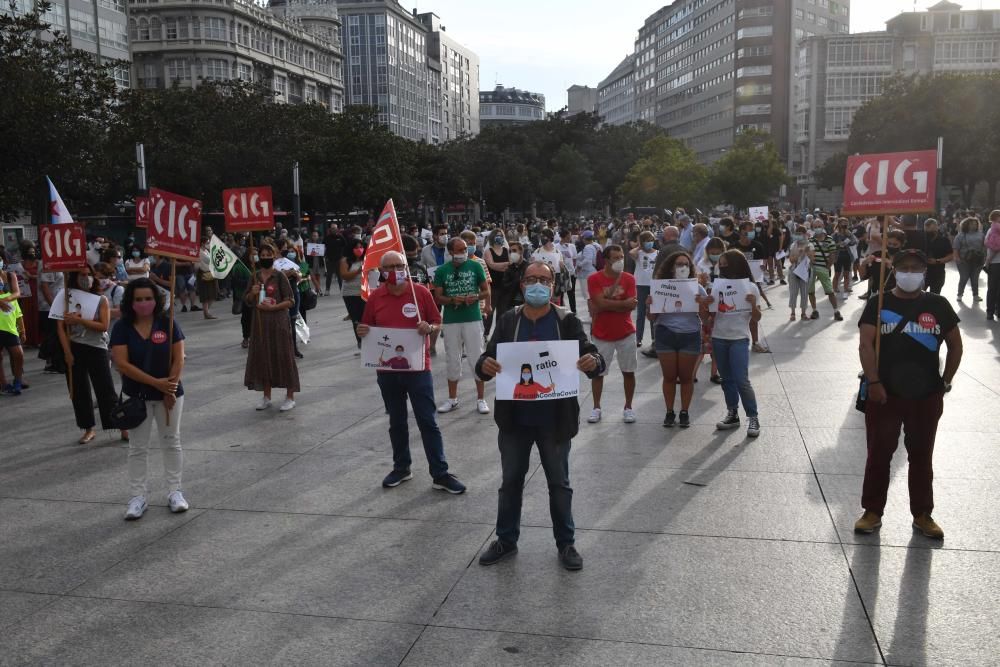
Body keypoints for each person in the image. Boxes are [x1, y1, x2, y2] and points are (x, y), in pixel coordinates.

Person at [475, 261, 605, 571]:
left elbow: (593, 355)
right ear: (522, 285)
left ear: (553, 285)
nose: (537, 284)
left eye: (544, 280)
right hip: (515, 418)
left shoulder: (567, 320)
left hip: (555, 419)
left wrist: (592, 362)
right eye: (531, 279)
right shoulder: (508, 320)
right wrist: (485, 366)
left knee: (559, 483)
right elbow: (487, 357)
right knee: (510, 483)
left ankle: (566, 543)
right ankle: (506, 539)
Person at [855, 249, 962, 539]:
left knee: (921, 455)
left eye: (916, 268)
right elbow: (866, 344)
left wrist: (946, 381)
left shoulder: (938, 305)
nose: (910, 273)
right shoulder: (878, 304)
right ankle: (872, 510)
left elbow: (955, 344)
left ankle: (923, 514)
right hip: (885, 394)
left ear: (924, 272)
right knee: (878, 453)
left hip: (926, 394)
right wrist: (874, 382)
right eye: (905, 267)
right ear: (895, 270)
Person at [357, 251, 466, 494]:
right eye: (390, 267)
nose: (395, 271)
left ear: (407, 267)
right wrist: (362, 330)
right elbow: (366, 327)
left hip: (418, 368)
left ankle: (440, 473)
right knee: (396, 421)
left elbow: (438, 321)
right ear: (382, 272)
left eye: (400, 265)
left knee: (427, 421)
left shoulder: (420, 293)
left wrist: (430, 327)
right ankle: (402, 467)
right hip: (387, 370)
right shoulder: (375, 297)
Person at [109, 278, 188, 520]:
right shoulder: (122, 327)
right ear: (130, 302)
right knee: (137, 447)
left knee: (171, 442)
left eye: (148, 298)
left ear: (157, 300)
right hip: (137, 396)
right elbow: (121, 363)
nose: (144, 303)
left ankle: (175, 492)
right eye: (138, 299)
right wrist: (156, 384)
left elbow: (179, 357)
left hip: (170, 396)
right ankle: (137, 497)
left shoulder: (168, 322)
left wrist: (169, 389)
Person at [56, 266, 119, 444]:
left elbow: (103, 326)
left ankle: (119, 424)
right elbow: (60, 328)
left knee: (105, 389)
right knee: (79, 391)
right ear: (75, 277)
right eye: (82, 275)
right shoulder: (65, 298)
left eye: (89, 274)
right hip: (74, 348)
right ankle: (88, 428)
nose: (87, 278)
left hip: (97, 347)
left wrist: (79, 320)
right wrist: (67, 352)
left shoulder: (101, 300)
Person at [648, 251, 708, 427]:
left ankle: (684, 412)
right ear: (671, 268)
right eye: (678, 264)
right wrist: (650, 305)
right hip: (665, 334)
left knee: (686, 377)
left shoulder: (698, 288)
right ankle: (669, 412)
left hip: (689, 335)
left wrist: (701, 305)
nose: (682, 267)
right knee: (669, 377)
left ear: (691, 268)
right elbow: (652, 318)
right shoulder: (661, 286)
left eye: (686, 264)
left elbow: (705, 319)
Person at [707, 250, 762, 438]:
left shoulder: (751, 287)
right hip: (719, 337)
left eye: (724, 263)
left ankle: (753, 416)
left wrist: (753, 305)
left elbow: (757, 318)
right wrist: (706, 303)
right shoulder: (716, 286)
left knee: (741, 379)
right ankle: (732, 413)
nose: (721, 267)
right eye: (720, 264)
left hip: (739, 337)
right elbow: (710, 315)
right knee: (727, 379)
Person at [433, 237, 490, 414]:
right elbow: (438, 297)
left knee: (476, 357)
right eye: (459, 250)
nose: (463, 253)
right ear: (450, 252)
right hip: (451, 320)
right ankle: (452, 399)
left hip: (473, 317)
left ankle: (481, 399)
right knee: (452, 358)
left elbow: (486, 290)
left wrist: (477, 298)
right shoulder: (442, 270)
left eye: (465, 249)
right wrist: (451, 300)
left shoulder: (475, 266)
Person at [244, 241, 299, 411]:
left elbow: (290, 300)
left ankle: (290, 397)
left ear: (274, 256)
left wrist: (274, 307)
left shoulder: (280, 276)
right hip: (260, 323)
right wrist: (252, 294)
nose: (266, 258)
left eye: (269, 255)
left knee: (284, 356)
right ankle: (266, 396)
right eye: (263, 255)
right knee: (263, 357)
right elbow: (246, 301)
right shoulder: (254, 276)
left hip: (278, 322)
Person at [586, 245, 639, 424]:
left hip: (626, 332)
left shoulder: (629, 278)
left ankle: (629, 407)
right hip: (602, 334)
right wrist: (621, 304)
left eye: (621, 257)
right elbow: (598, 304)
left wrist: (606, 303)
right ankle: (596, 407)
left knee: (629, 371)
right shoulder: (594, 278)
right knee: (597, 373)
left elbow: (632, 304)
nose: (620, 261)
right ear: (606, 260)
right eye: (615, 258)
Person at [807, 226, 844, 322]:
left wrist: (827, 267)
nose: (817, 228)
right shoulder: (811, 239)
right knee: (811, 291)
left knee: (829, 290)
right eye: (816, 226)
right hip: (811, 268)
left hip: (822, 267)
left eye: (819, 226)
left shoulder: (829, 240)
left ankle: (836, 311)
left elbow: (832, 254)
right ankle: (815, 310)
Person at [0, 252, 25, 395]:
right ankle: (3, 384)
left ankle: (18, 380)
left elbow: (17, 293)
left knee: (18, 354)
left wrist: (5, 301)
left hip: (9, 322)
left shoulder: (10, 276)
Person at [631, 230, 658, 352]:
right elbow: (631, 253)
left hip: (654, 285)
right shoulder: (639, 253)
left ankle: (654, 338)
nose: (649, 243)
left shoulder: (658, 253)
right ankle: (638, 338)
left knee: (653, 311)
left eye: (651, 240)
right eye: (647, 240)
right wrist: (639, 246)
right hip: (641, 285)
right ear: (642, 242)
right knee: (641, 312)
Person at [340, 239, 367, 353]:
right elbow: (344, 276)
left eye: (361, 247)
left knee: (366, 318)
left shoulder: (366, 259)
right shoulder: (345, 260)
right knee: (356, 320)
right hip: (350, 294)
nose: (359, 249)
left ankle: (369, 342)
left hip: (365, 293)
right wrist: (358, 271)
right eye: (356, 247)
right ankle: (360, 342)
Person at [484, 229, 510, 337]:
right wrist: (506, 265)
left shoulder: (506, 250)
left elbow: (510, 266)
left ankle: (499, 335)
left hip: (504, 286)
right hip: (492, 286)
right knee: (490, 312)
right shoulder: (488, 251)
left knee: (502, 312)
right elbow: (491, 265)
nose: (499, 237)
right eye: (497, 236)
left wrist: (502, 266)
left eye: (501, 236)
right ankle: (486, 333)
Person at [953, 216, 985, 301]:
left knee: (975, 278)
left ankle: (975, 295)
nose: (974, 225)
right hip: (963, 260)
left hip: (977, 260)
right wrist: (957, 258)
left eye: (975, 224)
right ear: (966, 225)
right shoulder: (960, 235)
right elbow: (956, 248)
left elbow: (984, 246)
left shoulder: (981, 234)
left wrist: (984, 258)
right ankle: (960, 294)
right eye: (972, 224)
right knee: (964, 277)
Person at [920, 219, 954, 296]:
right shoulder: (921, 239)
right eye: (927, 231)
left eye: (932, 231)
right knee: (919, 296)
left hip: (938, 273)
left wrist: (937, 261)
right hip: (922, 273)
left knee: (935, 296)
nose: (930, 233)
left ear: (937, 228)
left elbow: (950, 256)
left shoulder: (944, 240)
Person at [787, 226, 813, 322]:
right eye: (796, 234)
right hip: (794, 271)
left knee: (804, 293)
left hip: (805, 271)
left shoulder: (810, 244)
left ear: (805, 234)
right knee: (793, 292)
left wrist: (807, 252)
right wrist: (799, 253)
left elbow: (813, 259)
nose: (798, 236)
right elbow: (791, 260)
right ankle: (792, 313)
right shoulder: (793, 245)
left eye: (800, 233)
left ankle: (803, 313)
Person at [832, 218, 857, 299]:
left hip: (847, 255)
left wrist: (849, 235)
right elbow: (831, 245)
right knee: (837, 273)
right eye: (843, 223)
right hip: (838, 255)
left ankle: (846, 290)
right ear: (839, 224)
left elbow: (854, 242)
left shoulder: (849, 233)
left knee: (847, 273)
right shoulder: (835, 234)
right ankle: (834, 289)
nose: (845, 224)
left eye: (846, 223)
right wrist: (838, 244)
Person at [196, 239, 219, 320]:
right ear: (202, 243)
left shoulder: (207, 250)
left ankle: (207, 311)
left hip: (211, 273)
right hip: (203, 274)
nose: (209, 244)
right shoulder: (199, 251)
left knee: (213, 294)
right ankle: (206, 313)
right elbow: (209, 260)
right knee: (205, 295)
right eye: (207, 242)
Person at [984, 210, 1000, 321]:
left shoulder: (991, 229)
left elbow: (988, 244)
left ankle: (990, 311)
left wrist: (987, 261)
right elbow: (994, 246)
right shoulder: (995, 229)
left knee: (992, 288)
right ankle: (994, 310)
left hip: (993, 263)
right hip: (995, 263)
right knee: (994, 288)